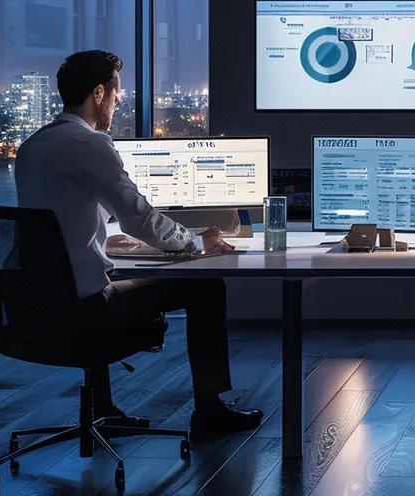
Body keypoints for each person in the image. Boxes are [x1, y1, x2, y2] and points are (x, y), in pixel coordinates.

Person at [15, 50, 263, 437]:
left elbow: (59, 220)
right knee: (206, 287)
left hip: (36, 308)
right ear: (98, 93)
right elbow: (140, 217)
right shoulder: (89, 144)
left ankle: (102, 407)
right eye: (116, 91)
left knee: (105, 279)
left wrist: (106, 237)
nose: (119, 100)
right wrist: (196, 241)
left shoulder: (32, 147)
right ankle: (210, 411)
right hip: (87, 308)